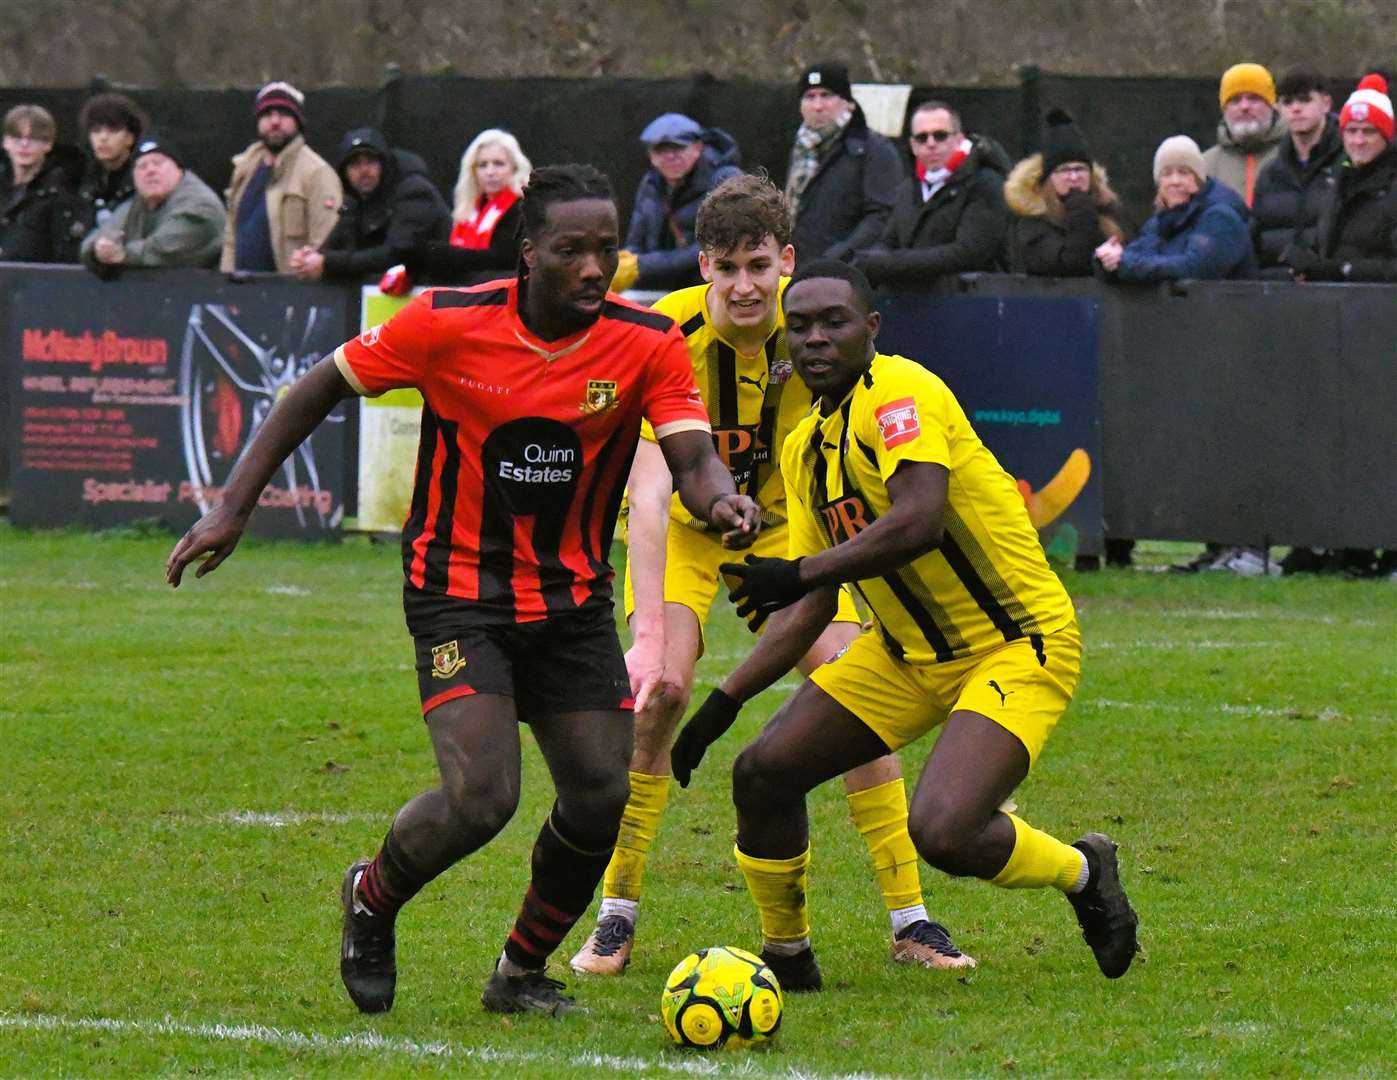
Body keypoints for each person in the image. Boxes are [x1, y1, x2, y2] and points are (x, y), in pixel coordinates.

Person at [165, 163, 761, 1018]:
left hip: (570, 602)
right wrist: (231, 505)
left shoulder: (645, 341)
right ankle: (371, 897)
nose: (595, 268)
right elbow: (318, 385)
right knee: (484, 797)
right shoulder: (445, 324)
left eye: (606, 250)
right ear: (526, 253)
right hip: (458, 593)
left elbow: (693, 456)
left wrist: (723, 501)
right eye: (571, 251)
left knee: (600, 793)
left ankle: (519, 972)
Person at [668, 259, 1139, 992]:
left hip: (1014, 642)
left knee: (945, 830)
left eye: (835, 322)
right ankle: (787, 959)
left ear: (871, 329)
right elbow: (812, 605)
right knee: (762, 774)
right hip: (905, 655)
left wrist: (795, 572)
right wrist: (721, 703)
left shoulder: (902, 392)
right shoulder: (804, 447)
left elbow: (915, 521)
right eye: (803, 327)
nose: (817, 339)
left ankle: (1083, 871)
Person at [570, 174, 973, 979]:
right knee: (661, 695)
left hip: (790, 531)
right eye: (727, 267)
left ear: (785, 260)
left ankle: (910, 917)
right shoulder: (662, 333)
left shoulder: (817, 327)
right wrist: (648, 637)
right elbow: (648, 496)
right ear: (703, 266)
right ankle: (615, 913)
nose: (745, 285)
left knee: (847, 685)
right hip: (686, 532)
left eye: (759, 264)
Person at [852, 99, 1011, 287]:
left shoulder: (986, 183)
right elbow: (889, 241)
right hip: (913, 304)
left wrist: (892, 264)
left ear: (959, 139)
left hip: (972, 302)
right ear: (913, 146)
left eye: (940, 135)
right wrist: (870, 262)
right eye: (922, 138)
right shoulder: (909, 188)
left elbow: (969, 252)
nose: (931, 144)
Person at [290, 126, 449, 283]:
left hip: (435, 291)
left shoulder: (414, 191)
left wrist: (327, 261)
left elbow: (397, 254)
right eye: (355, 164)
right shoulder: (354, 199)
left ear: (384, 164)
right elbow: (337, 244)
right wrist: (311, 257)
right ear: (344, 172)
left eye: (370, 161)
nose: (364, 170)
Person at [786, 61, 903, 264]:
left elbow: (883, 216)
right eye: (809, 97)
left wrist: (839, 256)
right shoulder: (801, 150)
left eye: (827, 95)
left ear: (846, 101)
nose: (818, 106)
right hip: (799, 270)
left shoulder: (874, 149)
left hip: (847, 274)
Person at [1095, 135, 1256, 283]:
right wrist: (1107, 259)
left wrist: (1125, 263)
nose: (1175, 181)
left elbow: (1194, 268)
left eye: (1184, 173)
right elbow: (1136, 257)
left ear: (1199, 178)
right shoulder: (1157, 224)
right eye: (1166, 174)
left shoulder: (1221, 218)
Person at [1283, 74, 1397, 283]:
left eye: (1369, 132)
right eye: (1352, 131)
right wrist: (1308, 266)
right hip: (1336, 309)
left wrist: (1343, 270)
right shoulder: (1337, 180)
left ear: (1386, 136)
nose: (1359, 140)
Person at [612, 112, 741, 293]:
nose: (670, 157)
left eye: (678, 149)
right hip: (658, 289)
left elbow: (718, 246)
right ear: (651, 156)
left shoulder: (726, 180)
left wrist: (642, 265)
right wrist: (625, 263)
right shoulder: (650, 184)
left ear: (698, 147)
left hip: (710, 288)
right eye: (660, 151)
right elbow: (636, 241)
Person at [221, 81, 341, 273]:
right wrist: (225, 285)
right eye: (267, 114)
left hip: (291, 294)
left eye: (284, 114)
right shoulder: (243, 169)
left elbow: (326, 244)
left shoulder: (317, 173)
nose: (275, 122)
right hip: (240, 293)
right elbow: (230, 239)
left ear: (298, 122)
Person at [1004, 107, 1133, 277]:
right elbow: (1067, 266)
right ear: (1049, 178)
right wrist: (1081, 213)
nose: (1074, 177)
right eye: (1064, 170)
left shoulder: (1111, 211)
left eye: (1080, 169)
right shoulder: (1033, 223)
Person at [80, 132, 225, 273]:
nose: (150, 171)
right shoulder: (138, 202)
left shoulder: (200, 204)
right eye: (142, 166)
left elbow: (165, 249)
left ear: (178, 170)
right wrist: (98, 250)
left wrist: (123, 254)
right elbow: (99, 236)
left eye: (158, 163)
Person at [404, 128, 531, 285]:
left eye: (499, 164)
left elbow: (506, 258)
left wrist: (446, 256)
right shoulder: (469, 210)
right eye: (482, 165)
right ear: (472, 171)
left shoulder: (522, 208)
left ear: (515, 168)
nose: (490, 172)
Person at [1252, 66, 1344, 275]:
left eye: (1304, 100)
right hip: (1275, 294)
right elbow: (1256, 242)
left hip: (1333, 294)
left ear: (1326, 104)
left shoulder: (1349, 166)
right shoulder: (1269, 175)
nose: (1296, 108)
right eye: (1287, 102)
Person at [0, 104, 81, 263]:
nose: (24, 144)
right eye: (17, 137)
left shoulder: (61, 194)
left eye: (34, 138)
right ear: (5, 142)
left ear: (48, 144)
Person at [1202, 62, 1288, 209]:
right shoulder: (1204, 165)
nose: (1244, 107)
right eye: (1235, 100)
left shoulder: (1294, 155)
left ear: (1271, 106)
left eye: (1254, 98)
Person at [75, 91, 147, 230]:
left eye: (113, 130)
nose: (103, 138)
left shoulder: (143, 180)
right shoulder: (84, 181)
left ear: (130, 137)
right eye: (96, 130)